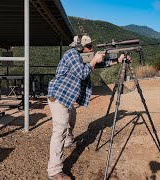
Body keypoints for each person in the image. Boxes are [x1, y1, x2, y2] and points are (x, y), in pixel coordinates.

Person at [46, 35, 105, 180]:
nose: (91, 49)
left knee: (72, 118)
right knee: (60, 130)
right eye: (89, 47)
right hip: (59, 97)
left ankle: (69, 141)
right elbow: (83, 73)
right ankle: (54, 170)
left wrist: (118, 59)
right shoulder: (72, 54)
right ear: (79, 46)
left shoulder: (79, 55)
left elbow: (96, 63)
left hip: (67, 98)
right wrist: (94, 60)